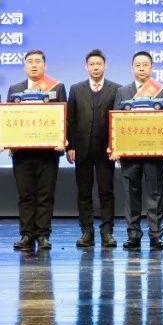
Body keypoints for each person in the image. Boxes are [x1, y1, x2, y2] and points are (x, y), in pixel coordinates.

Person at [6, 49, 66, 250]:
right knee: (26, 196)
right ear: (25, 66)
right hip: (22, 152)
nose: (34, 65)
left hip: (48, 152)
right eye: (30, 61)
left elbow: (64, 117)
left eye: (38, 61)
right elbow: (8, 118)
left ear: (44, 66)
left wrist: (62, 140)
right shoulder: (15, 89)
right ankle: (26, 235)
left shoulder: (57, 87)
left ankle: (43, 235)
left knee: (45, 195)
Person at [111, 51, 163, 249]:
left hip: (154, 153)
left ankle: (156, 235)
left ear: (152, 67)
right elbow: (115, 121)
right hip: (129, 154)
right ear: (132, 69)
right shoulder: (122, 92)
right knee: (131, 195)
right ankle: (133, 235)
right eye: (138, 65)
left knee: (155, 194)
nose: (142, 68)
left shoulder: (162, 91)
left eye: (146, 65)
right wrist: (115, 147)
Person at [66, 49, 121, 247]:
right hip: (82, 149)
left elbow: (119, 121)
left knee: (106, 192)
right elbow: (70, 119)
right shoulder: (76, 89)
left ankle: (107, 232)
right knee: (84, 193)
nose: (95, 67)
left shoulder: (116, 89)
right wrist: (70, 146)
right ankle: (86, 232)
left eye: (99, 64)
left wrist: (117, 146)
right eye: (92, 64)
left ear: (105, 66)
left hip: (106, 150)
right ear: (86, 67)